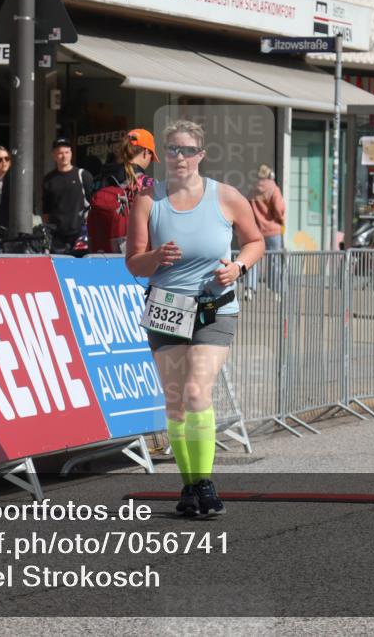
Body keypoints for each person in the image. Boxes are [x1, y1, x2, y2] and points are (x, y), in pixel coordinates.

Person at [126, 120, 264, 517]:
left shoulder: (227, 196)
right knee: (175, 400)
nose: (180, 157)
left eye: (188, 150)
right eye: (173, 149)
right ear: (163, 155)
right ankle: (189, 487)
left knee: (196, 392)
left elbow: (255, 242)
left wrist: (237, 267)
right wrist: (155, 257)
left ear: (201, 155)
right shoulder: (148, 199)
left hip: (213, 308)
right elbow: (133, 262)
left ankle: (204, 482)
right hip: (166, 308)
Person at [89, 128, 158, 253]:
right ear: (145, 152)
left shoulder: (100, 178)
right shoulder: (149, 184)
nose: (149, 160)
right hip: (134, 253)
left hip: (102, 252)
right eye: (151, 156)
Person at [42, 138, 93, 252]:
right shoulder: (49, 180)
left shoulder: (83, 175)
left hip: (81, 233)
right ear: (54, 155)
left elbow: (93, 203)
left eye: (67, 152)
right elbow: (46, 209)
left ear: (71, 153)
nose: (64, 156)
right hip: (57, 236)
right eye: (60, 153)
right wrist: (47, 232)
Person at [245, 164, 286, 298]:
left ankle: (249, 289)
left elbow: (247, 209)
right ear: (271, 175)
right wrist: (281, 219)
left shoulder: (253, 190)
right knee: (275, 261)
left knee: (253, 259)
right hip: (273, 231)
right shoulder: (274, 189)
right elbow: (279, 209)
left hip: (257, 231)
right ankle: (276, 291)